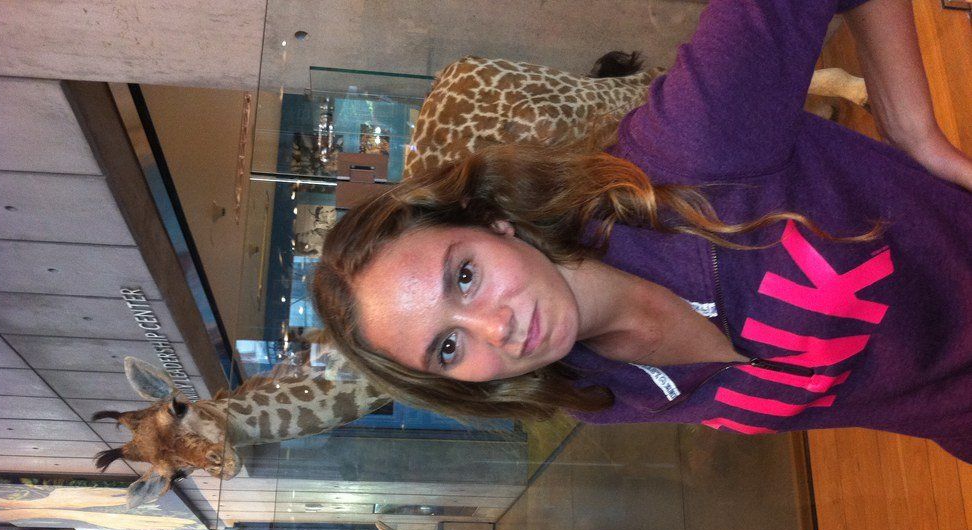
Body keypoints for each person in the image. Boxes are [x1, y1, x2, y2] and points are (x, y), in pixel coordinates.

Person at [313, 0, 971, 462]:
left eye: (464, 276)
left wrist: (914, 133)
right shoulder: (594, 390)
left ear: (492, 223)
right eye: (449, 348)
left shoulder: (690, 150)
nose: (497, 327)